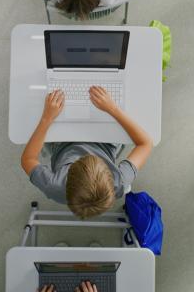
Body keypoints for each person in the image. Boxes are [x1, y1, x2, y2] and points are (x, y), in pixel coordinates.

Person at [21, 87, 153, 219]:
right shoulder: (119, 183)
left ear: (67, 175)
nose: (86, 150)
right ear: (110, 175)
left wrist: (46, 118)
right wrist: (113, 109)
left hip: (61, 144)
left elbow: (28, 159)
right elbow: (146, 144)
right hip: (106, 140)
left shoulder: (54, 186)